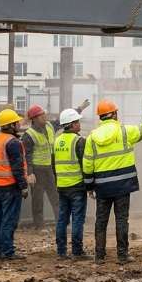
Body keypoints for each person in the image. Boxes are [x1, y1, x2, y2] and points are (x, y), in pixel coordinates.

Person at [83, 98, 142, 264]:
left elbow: (87, 164)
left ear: (100, 117)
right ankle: (122, 255)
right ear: (114, 114)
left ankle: (99, 256)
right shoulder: (125, 132)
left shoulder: (91, 138)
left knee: (101, 221)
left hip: (102, 187)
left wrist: (89, 187)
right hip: (123, 185)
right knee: (122, 219)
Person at [0, 109, 32, 260]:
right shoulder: (13, 142)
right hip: (10, 186)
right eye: (17, 122)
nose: (19, 124)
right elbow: (17, 167)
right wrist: (24, 186)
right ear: (11, 125)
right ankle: (8, 252)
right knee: (9, 220)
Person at [53, 108, 89, 260]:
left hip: (62, 186)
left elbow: (53, 165)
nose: (79, 124)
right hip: (77, 186)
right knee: (77, 219)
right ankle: (77, 251)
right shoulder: (79, 141)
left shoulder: (57, 141)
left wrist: (58, 181)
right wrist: (89, 185)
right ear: (72, 124)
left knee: (62, 219)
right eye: (77, 121)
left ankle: (61, 251)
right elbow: (85, 165)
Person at [20, 104, 59, 229]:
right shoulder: (29, 135)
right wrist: (30, 173)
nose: (45, 117)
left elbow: (61, 122)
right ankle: (40, 225)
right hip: (37, 170)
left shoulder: (50, 126)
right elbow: (27, 156)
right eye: (42, 115)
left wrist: (79, 109)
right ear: (35, 119)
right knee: (38, 199)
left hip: (49, 168)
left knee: (55, 197)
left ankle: (61, 222)